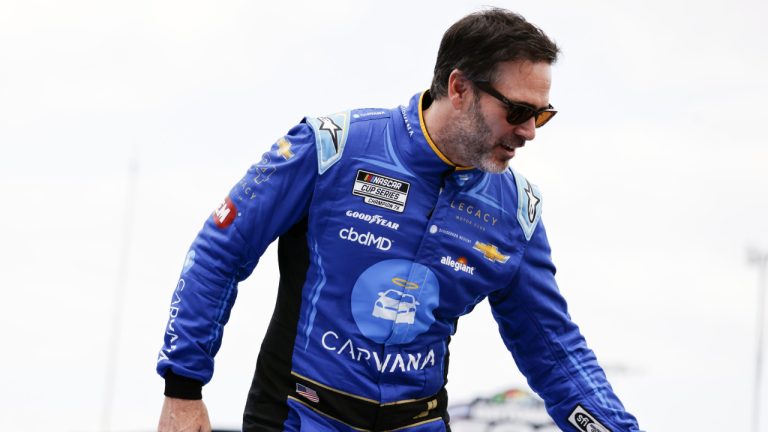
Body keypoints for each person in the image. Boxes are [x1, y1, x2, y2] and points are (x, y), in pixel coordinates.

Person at [157, 8, 642, 432]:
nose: (530, 132)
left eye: (543, 115)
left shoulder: (517, 212)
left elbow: (553, 348)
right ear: (459, 88)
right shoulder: (332, 147)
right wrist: (183, 388)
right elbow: (219, 250)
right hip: (300, 415)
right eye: (518, 110)